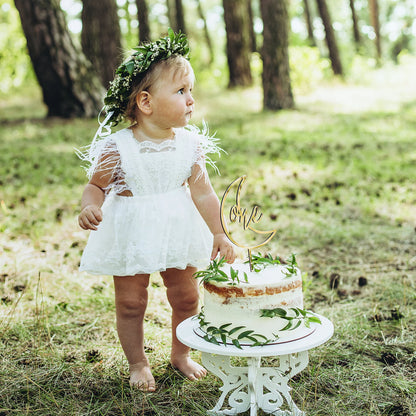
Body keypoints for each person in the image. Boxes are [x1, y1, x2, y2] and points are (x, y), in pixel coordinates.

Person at [77, 29, 235, 392]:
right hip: (132, 232)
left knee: (187, 296)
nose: (191, 99)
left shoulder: (190, 145)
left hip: (178, 229)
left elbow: (204, 192)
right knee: (131, 302)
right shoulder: (118, 147)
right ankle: (137, 363)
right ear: (145, 102)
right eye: (181, 91)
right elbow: (95, 186)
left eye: (191, 90)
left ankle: (180, 355)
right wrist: (90, 206)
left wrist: (218, 232)